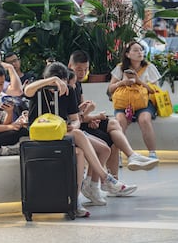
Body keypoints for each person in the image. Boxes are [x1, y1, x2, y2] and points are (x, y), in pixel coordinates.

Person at [25, 62, 132, 217]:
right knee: (80, 141)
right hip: (39, 133)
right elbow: (27, 90)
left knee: (103, 149)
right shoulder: (38, 90)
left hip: (62, 133)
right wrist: (51, 81)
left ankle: (89, 188)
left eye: (61, 81)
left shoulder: (69, 91)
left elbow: (75, 119)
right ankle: (104, 178)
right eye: (56, 81)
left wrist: (73, 126)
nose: (58, 86)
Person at [68, 50, 158, 189]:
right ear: (70, 66)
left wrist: (91, 117)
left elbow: (81, 111)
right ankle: (106, 181)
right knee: (112, 135)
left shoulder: (77, 84)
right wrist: (93, 116)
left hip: (83, 122)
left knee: (114, 124)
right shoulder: (68, 86)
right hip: (77, 127)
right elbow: (74, 117)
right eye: (79, 69)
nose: (82, 73)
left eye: (85, 70)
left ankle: (129, 159)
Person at [107, 42, 161, 160]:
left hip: (144, 103)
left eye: (141, 50)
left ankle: (152, 153)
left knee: (144, 119)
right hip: (124, 103)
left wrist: (138, 81)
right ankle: (119, 154)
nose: (140, 53)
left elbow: (155, 91)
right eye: (136, 50)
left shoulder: (149, 67)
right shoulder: (120, 68)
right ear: (127, 54)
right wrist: (122, 83)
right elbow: (110, 89)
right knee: (120, 121)